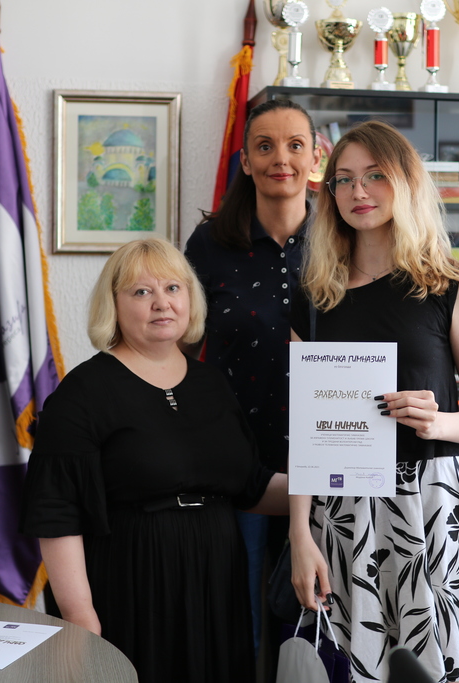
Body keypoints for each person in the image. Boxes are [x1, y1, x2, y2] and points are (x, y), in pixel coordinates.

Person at [288, 121, 459, 681]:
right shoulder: (314, 300)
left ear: (406, 182)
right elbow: (305, 430)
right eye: (344, 179)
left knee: (434, 668)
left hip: (431, 503)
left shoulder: (451, 287)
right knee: (356, 668)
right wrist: (299, 532)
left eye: (375, 175)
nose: (358, 191)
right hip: (345, 511)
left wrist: (437, 421)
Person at [19, 238, 287, 683]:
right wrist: (80, 615)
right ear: (113, 305)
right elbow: (57, 514)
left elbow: (251, 487)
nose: (162, 303)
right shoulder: (82, 393)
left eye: (173, 288)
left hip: (217, 582)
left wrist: (332, 482)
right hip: (131, 580)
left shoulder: (212, 384)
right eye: (142, 291)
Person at [184, 98, 322, 658]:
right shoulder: (210, 243)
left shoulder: (345, 238)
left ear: (316, 158)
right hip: (234, 458)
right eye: (265, 146)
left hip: (326, 456)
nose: (280, 159)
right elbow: (181, 345)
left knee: (314, 625)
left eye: (295, 145)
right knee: (239, 618)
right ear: (245, 161)